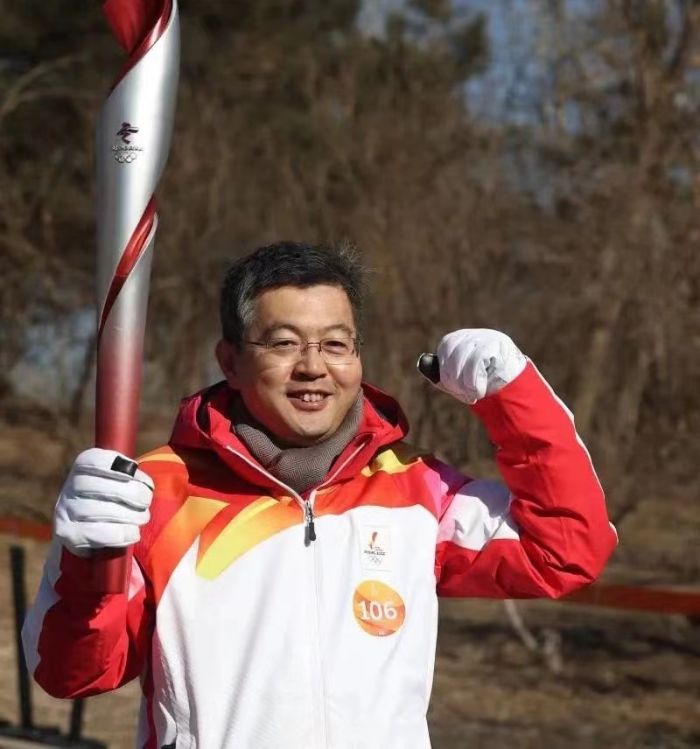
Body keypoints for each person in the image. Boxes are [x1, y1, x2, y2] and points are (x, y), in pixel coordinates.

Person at [23, 240, 616, 749]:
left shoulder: (414, 488)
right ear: (231, 361)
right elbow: (72, 674)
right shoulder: (158, 493)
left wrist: (516, 399)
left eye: (336, 344)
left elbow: (565, 552)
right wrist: (83, 562)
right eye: (283, 343)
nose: (313, 367)